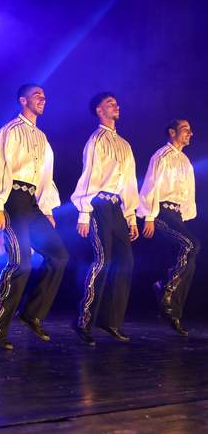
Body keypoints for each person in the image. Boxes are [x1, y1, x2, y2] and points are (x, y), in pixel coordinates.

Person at [0, 84, 69, 350]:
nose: (43, 98)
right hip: (12, 200)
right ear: (23, 100)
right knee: (21, 261)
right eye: (36, 95)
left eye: (44, 95)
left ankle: (32, 313)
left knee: (59, 255)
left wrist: (47, 209)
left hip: (32, 203)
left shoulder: (42, 137)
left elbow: (46, 176)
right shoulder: (9, 130)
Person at [71, 92, 139, 346]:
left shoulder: (124, 144)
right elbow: (90, 176)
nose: (116, 105)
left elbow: (130, 183)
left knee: (126, 262)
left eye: (116, 103)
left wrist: (131, 217)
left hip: (116, 208)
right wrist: (84, 212)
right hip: (98, 204)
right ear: (99, 110)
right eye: (110, 103)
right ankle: (84, 321)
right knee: (102, 261)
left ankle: (111, 321)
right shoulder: (96, 140)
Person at [137, 119, 199, 335]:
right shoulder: (161, 156)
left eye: (190, 130)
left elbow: (188, 192)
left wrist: (185, 217)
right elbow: (150, 185)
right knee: (191, 246)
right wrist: (149, 216)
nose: (190, 133)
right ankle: (165, 287)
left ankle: (173, 312)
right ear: (172, 132)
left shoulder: (185, 160)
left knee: (190, 260)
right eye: (185, 130)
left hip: (176, 215)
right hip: (161, 212)